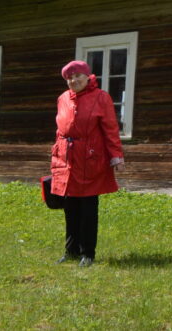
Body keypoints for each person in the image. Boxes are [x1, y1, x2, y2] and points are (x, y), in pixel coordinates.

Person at [49, 60, 124, 267]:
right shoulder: (63, 98)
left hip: (91, 159)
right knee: (70, 208)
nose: (73, 81)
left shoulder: (101, 97)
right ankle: (71, 251)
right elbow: (59, 130)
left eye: (77, 76)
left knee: (88, 209)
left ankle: (87, 253)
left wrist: (116, 157)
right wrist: (56, 154)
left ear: (87, 76)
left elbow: (110, 129)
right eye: (69, 78)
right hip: (67, 160)